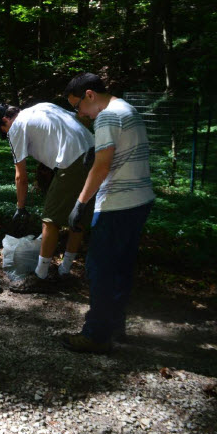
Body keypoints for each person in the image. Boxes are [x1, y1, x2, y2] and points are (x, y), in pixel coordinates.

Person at [62, 72, 155, 354]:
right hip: (140, 199)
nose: (81, 114)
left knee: (99, 269)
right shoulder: (127, 108)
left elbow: (102, 166)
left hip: (118, 203)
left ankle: (96, 335)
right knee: (121, 268)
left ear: (89, 95)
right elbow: (116, 154)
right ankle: (115, 326)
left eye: (78, 106)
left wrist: (80, 203)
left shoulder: (106, 116)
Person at [0, 102, 95, 291]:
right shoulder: (43, 107)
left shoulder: (16, 127)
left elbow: (20, 177)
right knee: (77, 217)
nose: (7, 134)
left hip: (73, 160)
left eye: (4, 131)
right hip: (95, 154)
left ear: (5, 121)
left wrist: (20, 207)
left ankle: (41, 276)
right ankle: (65, 271)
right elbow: (80, 120)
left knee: (50, 219)